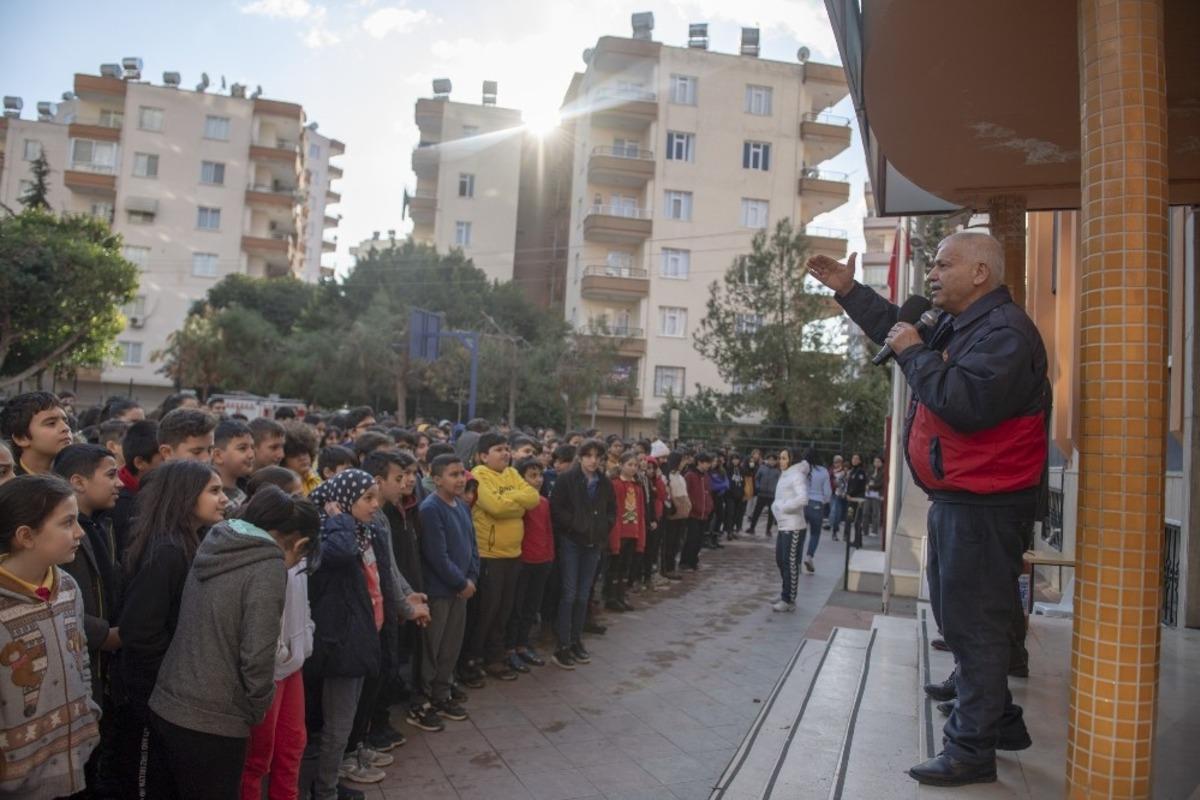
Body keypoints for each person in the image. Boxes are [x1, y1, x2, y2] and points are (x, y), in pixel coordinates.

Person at [809, 232, 1048, 786]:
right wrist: (850, 291)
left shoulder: (1005, 332)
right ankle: (1000, 720)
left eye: (943, 264)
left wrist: (915, 351)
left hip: (984, 504)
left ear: (981, 272)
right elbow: (900, 330)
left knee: (975, 627)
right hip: (962, 498)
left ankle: (970, 751)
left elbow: (963, 403)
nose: (932, 274)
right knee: (962, 620)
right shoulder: (967, 323)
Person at [150, 487, 316, 800]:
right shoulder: (267, 565)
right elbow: (257, 655)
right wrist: (256, 709)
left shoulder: (219, 540)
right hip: (214, 718)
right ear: (299, 543)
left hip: (171, 700)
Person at [113, 460, 229, 798]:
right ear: (185, 496)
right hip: (154, 697)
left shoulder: (190, 542)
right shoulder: (166, 551)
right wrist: (169, 685)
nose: (223, 499)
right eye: (214, 491)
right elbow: (139, 631)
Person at [0, 475, 102, 800]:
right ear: (26, 536)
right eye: (67, 522)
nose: (79, 532)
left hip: (74, 758)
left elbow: (80, 656)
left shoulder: (68, 587)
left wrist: (88, 711)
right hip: (17, 778)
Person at [302, 469, 399, 795]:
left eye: (375, 496)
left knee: (349, 720)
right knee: (338, 726)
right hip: (342, 644)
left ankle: (332, 781)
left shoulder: (361, 532)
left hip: (363, 636)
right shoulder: (330, 535)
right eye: (366, 498)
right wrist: (339, 519)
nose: (375, 505)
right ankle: (325, 789)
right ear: (341, 502)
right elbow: (339, 555)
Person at [467, 433, 540, 681]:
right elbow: (495, 508)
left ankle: (495, 658)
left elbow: (533, 499)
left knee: (504, 610)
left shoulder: (511, 473)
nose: (505, 453)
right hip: (489, 555)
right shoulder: (478, 475)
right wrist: (517, 502)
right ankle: (472, 658)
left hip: (513, 554)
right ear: (483, 455)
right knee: (487, 610)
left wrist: (511, 501)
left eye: (507, 449)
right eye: (499, 449)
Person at [413, 454, 478, 726]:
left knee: (451, 646)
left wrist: (472, 576)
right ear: (436, 478)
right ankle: (422, 700)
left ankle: (442, 691)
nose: (460, 479)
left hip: (460, 590)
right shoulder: (430, 509)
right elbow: (437, 556)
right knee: (432, 648)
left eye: (462, 473)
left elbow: (473, 546)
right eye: (453, 474)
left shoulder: (461, 506)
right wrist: (460, 582)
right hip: (440, 591)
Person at [548, 438, 615, 669]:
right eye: (588, 455)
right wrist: (577, 526)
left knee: (583, 595)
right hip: (571, 542)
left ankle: (576, 640)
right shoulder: (567, 479)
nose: (593, 460)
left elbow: (611, 511)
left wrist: (602, 529)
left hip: (593, 544)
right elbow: (556, 509)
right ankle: (562, 645)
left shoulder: (604, 482)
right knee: (569, 593)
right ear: (580, 457)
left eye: (598, 456)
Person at [505, 457, 555, 671]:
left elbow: (548, 531)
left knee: (531, 607)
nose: (538, 480)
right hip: (523, 560)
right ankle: (509, 648)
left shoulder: (544, 502)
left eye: (540, 475)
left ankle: (522, 645)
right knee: (516, 607)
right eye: (532, 476)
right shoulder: (518, 503)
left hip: (542, 561)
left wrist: (550, 556)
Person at [605, 453, 646, 612]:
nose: (633, 468)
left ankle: (621, 595)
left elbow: (640, 512)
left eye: (635, 465)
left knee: (625, 567)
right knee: (614, 566)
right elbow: (614, 511)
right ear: (621, 465)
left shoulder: (637, 486)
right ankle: (611, 597)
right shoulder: (615, 484)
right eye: (629, 464)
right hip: (619, 532)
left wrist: (640, 535)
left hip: (632, 531)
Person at [770, 448, 809, 612]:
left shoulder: (796, 476)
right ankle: (786, 592)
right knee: (781, 560)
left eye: (784, 458)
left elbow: (803, 498)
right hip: (783, 525)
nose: (781, 461)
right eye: (780, 458)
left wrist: (783, 508)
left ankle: (789, 599)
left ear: (792, 460)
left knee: (790, 562)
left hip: (794, 527)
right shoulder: (786, 474)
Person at [0, 390, 73, 476]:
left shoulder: (77, 477)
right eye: (51, 423)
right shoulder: (7, 481)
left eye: (66, 422)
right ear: (21, 438)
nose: (66, 428)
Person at [212, 419, 256, 510]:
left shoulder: (248, 491)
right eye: (242, 448)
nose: (251, 455)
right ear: (218, 456)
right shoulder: (209, 498)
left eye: (252, 447)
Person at [681, 452, 714, 570]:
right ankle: (685, 561)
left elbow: (708, 493)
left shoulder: (706, 476)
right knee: (691, 539)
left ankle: (693, 561)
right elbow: (686, 493)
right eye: (706, 463)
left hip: (704, 513)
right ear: (699, 462)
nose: (708, 466)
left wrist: (709, 506)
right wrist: (691, 506)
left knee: (699, 540)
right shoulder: (690, 475)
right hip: (693, 513)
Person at [661, 451, 691, 580]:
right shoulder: (668, 477)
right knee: (670, 542)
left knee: (677, 542)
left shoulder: (680, 477)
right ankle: (667, 568)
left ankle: (672, 566)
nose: (684, 464)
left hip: (682, 514)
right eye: (682, 461)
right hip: (673, 514)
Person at [802, 448, 831, 574]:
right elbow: (827, 492)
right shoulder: (823, 471)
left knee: (800, 534)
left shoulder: (801, 470)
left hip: (802, 503)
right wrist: (823, 501)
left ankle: (796, 561)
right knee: (815, 533)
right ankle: (809, 556)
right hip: (816, 504)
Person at [282, 420, 322, 496]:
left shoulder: (316, 479)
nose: (302, 458)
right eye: (295, 454)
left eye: (305, 452)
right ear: (283, 458)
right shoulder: (282, 488)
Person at [746, 451, 780, 536]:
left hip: (772, 495)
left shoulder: (778, 471)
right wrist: (758, 486)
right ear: (767, 460)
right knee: (757, 512)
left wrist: (776, 490)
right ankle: (752, 528)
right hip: (761, 494)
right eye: (770, 459)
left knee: (771, 514)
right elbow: (757, 478)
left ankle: (768, 530)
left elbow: (780, 482)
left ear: (776, 461)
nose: (771, 461)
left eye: (773, 460)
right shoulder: (762, 468)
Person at [846, 453, 868, 548]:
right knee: (852, 520)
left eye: (856, 458)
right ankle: (854, 540)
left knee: (857, 521)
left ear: (860, 461)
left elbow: (858, 486)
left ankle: (858, 542)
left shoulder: (860, 472)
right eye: (853, 458)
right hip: (852, 499)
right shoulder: (853, 471)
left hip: (857, 499)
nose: (854, 460)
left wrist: (850, 494)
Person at [828, 455, 849, 541]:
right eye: (835, 462)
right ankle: (834, 531)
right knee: (835, 512)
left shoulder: (845, 471)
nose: (837, 463)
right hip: (833, 494)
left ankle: (843, 533)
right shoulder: (830, 472)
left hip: (843, 495)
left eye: (839, 461)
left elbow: (846, 483)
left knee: (842, 514)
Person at [864, 456, 885, 537]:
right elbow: (867, 480)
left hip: (877, 495)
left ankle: (874, 530)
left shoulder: (883, 471)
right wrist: (867, 486)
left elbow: (881, 484)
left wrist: (870, 486)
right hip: (868, 494)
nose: (876, 463)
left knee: (875, 513)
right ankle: (864, 530)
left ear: (881, 462)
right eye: (875, 461)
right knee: (865, 512)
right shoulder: (871, 470)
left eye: (878, 461)